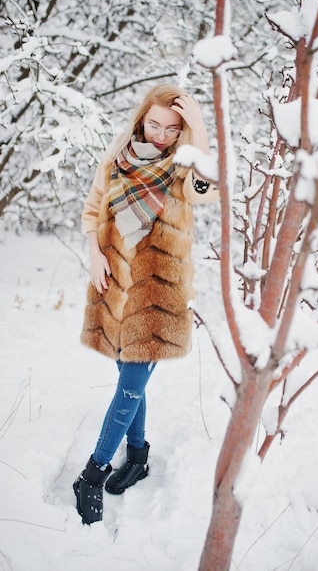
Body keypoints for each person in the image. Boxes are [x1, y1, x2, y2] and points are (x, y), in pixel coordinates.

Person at [73, 84, 218, 525]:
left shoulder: (182, 168)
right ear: (141, 120)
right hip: (115, 283)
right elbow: (93, 211)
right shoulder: (116, 162)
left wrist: (201, 131)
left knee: (131, 384)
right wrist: (95, 255)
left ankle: (92, 475)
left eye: (172, 129)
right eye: (154, 124)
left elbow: (205, 189)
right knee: (128, 380)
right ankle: (136, 457)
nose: (161, 134)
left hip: (158, 296)